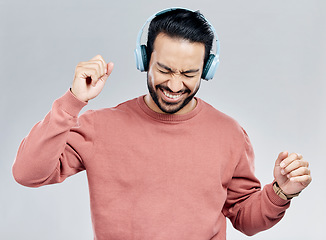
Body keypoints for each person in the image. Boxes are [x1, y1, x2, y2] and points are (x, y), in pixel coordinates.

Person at [13, 8, 311, 240]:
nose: (175, 84)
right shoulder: (99, 126)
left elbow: (245, 219)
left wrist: (280, 193)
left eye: (189, 73)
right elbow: (28, 173)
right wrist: (73, 101)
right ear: (144, 59)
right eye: (165, 69)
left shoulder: (230, 134)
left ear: (207, 69)